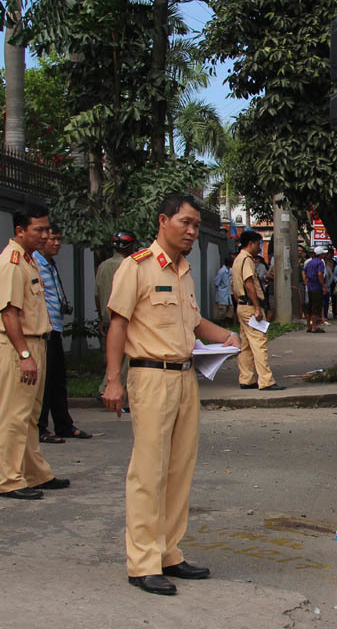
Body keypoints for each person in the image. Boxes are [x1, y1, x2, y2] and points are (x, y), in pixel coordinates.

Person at [102, 193, 242, 596]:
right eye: (186, 223)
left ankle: (169, 552)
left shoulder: (184, 271)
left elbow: (193, 321)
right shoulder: (137, 268)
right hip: (149, 376)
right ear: (163, 221)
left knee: (180, 468)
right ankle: (142, 561)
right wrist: (113, 379)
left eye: (197, 225)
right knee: (148, 470)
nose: (193, 232)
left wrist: (230, 338)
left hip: (184, 377)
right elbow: (117, 324)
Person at [0, 203, 69, 500]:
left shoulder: (29, 259)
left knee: (31, 415)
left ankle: (34, 473)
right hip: (18, 345)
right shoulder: (11, 262)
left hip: (37, 342)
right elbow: (9, 313)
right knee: (13, 415)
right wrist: (24, 355)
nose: (46, 235)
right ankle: (10, 480)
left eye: (47, 229)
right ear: (20, 231)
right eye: (39, 229)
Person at [33, 225, 91, 444]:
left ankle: (63, 424)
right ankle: (40, 427)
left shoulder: (50, 264)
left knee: (58, 379)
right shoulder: (35, 263)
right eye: (52, 239)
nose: (56, 243)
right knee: (45, 382)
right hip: (43, 330)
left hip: (55, 328)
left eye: (59, 239)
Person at [232, 230, 284, 391]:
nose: (259, 248)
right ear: (251, 243)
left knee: (246, 344)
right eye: (258, 244)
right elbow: (249, 284)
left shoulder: (237, 259)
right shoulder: (247, 259)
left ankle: (246, 378)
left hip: (241, 305)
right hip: (249, 306)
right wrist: (256, 307)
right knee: (259, 343)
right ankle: (266, 380)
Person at [95, 229, 137, 399]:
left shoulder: (103, 266)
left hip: (106, 317)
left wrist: (101, 318)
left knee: (111, 356)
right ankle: (111, 389)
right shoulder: (129, 265)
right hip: (123, 318)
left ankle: (106, 386)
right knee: (125, 359)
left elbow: (97, 295)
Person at [303, 245, 326, 333]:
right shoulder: (320, 263)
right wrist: (323, 286)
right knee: (316, 307)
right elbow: (320, 274)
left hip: (309, 286)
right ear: (320, 254)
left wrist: (306, 282)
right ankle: (314, 327)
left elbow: (304, 272)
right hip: (316, 286)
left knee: (309, 306)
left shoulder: (309, 262)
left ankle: (308, 325)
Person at [212, 253, 234, 324]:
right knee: (222, 311)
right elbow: (216, 282)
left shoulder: (229, 271)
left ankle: (226, 324)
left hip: (227, 294)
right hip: (222, 294)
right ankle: (221, 324)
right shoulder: (222, 271)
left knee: (230, 310)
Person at [322, 252, 336, 325]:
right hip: (318, 287)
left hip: (327, 287)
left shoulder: (327, 268)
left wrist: (327, 285)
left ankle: (325, 315)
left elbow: (331, 277)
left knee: (326, 302)